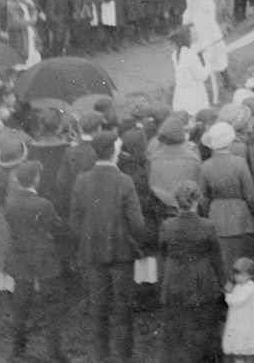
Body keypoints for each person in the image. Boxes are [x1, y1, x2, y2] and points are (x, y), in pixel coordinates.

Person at [70, 131, 146, 363]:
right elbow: (138, 223)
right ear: (114, 151)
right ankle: (124, 358)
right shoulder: (124, 181)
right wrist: (135, 243)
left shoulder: (82, 180)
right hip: (121, 254)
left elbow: (75, 221)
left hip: (92, 253)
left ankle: (100, 357)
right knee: (123, 310)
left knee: (98, 310)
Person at [4, 160, 66, 363]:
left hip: (21, 260)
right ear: (35, 179)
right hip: (43, 260)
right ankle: (54, 353)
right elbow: (57, 227)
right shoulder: (43, 204)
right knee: (53, 306)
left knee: (20, 304)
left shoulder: (10, 202)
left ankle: (17, 349)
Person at [158, 180, 225, 363]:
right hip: (201, 280)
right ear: (198, 201)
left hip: (175, 280)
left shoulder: (167, 226)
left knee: (176, 327)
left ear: (177, 202)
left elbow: (162, 253)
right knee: (203, 324)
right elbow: (216, 259)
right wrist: (223, 283)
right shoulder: (207, 226)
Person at [199, 122, 254, 277]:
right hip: (241, 215)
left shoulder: (206, 166)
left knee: (222, 258)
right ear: (230, 142)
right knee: (243, 257)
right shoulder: (240, 163)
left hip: (216, 215)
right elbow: (250, 195)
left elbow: (203, 198)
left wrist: (207, 215)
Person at [222, 257, 254, 363]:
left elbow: (237, 301)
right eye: (237, 275)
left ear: (250, 275)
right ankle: (239, 360)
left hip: (247, 321)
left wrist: (227, 294)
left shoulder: (250, 287)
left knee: (246, 344)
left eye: (242, 275)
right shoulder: (238, 286)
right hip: (237, 320)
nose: (239, 278)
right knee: (237, 345)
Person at [170, 25, 211, 117]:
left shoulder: (176, 53)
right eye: (193, 32)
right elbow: (202, 76)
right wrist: (208, 63)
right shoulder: (190, 55)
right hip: (193, 94)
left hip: (181, 93)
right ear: (187, 37)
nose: (196, 34)